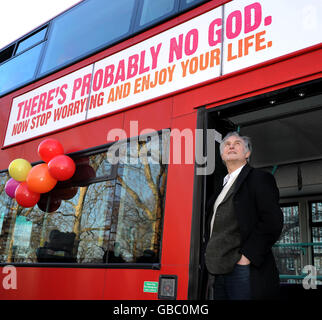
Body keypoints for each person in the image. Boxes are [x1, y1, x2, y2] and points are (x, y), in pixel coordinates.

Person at [205, 131, 283, 300]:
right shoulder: (219, 187)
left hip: (242, 269)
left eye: (237, 143)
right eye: (227, 144)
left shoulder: (259, 178)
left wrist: (246, 258)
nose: (231, 146)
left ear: (247, 154)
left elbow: (272, 221)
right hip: (217, 270)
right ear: (222, 156)